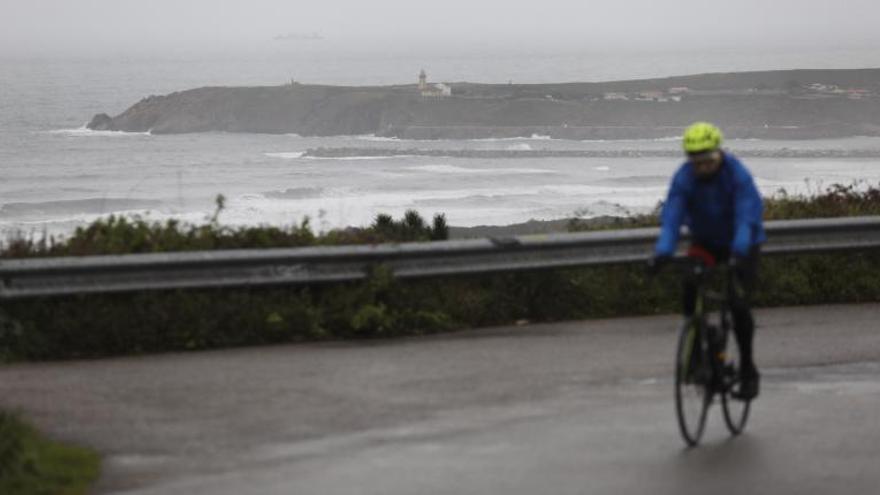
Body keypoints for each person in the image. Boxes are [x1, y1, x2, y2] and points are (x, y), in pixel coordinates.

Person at [651, 122, 765, 400]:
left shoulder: (737, 175)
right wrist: (662, 253)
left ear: (719, 154)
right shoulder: (684, 178)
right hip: (706, 242)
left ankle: (748, 369)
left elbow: (746, 216)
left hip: (743, 242)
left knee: (738, 305)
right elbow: (672, 218)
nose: (702, 168)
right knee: (690, 283)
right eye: (696, 163)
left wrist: (739, 252)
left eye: (708, 161)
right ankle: (696, 347)